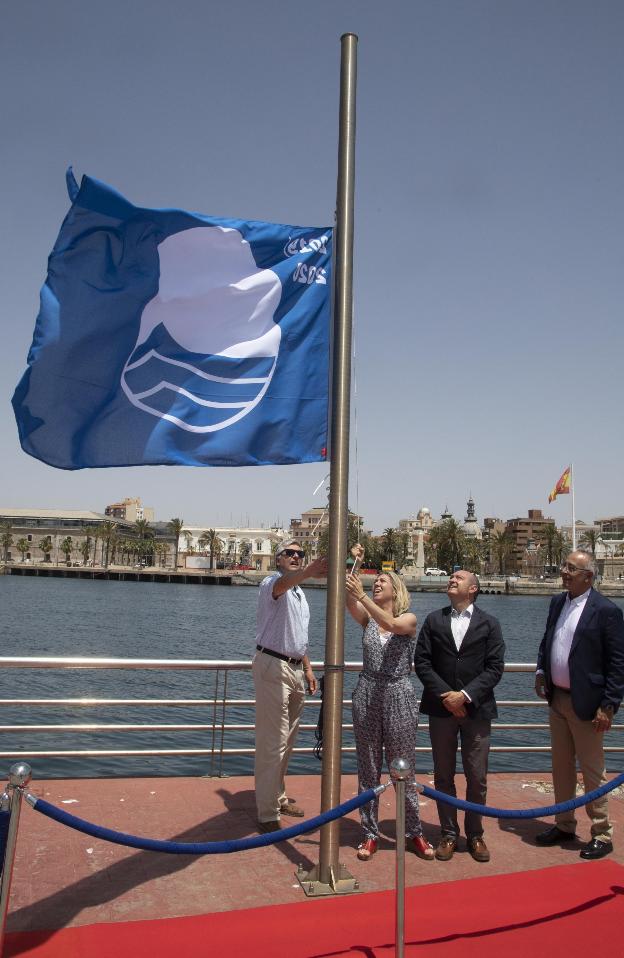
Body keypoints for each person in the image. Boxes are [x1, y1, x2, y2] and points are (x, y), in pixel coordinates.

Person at [535, 549, 624, 859]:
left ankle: (602, 832)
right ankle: (564, 823)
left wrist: (609, 705)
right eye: (564, 566)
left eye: (572, 568)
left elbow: (617, 664)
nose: (564, 572)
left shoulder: (606, 611)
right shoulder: (558, 602)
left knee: (592, 771)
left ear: (589, 576)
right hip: (557, 699)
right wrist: (541, 670)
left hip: (589, 706)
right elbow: (548, 641)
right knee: (560, 768)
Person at [345, 553, 434, 862]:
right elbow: (348, 599)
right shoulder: (367, 619)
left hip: (398, 693)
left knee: (403, 768)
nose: (377, 584)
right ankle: (370, 833)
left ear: (397, 590)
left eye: (382, 581)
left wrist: (363, 598)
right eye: (375, 581)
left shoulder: (408, 618)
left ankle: (413, 832)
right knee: (368, 768)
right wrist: (355, 565)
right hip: (368, 692)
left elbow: (392, 623)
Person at [414, 570, 505, 862]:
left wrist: (464, 696)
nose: (452, 579)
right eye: (451, 577)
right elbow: (422, 662)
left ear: (474, 588)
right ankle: (448, 833)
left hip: (477, 711)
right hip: (441, 710)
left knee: (477, 777)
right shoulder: (433, 620)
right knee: (443, 775)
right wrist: (448, 697)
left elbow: (494, 667)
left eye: (459, 578)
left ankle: (475, 834)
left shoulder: (490, 624)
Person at [253, 541, 327, 832]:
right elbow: (283, 584)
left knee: (288, 740)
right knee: (274, 741)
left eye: (300, 554)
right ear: (278, 559)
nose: (296, 556)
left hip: (295, 668)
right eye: (290, 553)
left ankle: (278, 796)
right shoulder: (272, 583)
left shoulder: (300, 593)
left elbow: (297, 636)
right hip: (272, 665)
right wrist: (309, 570)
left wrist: (308, 667)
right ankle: (267, 813)